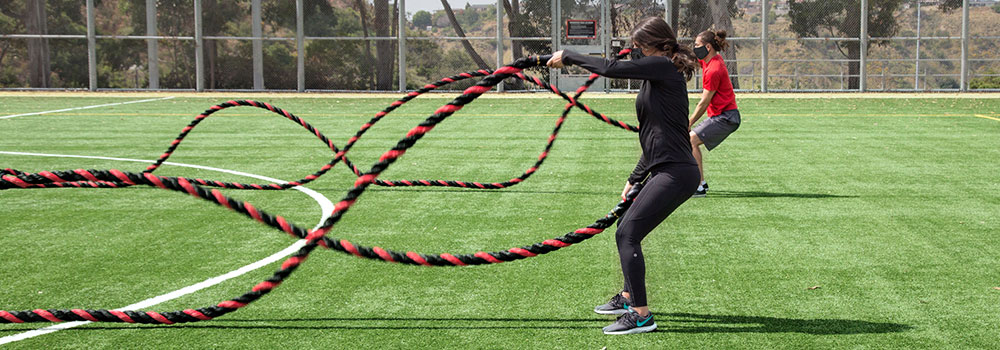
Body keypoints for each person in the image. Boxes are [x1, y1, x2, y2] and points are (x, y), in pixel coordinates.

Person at [546, 16, 700, 335]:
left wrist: (570, 56)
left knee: (628, 233)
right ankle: (629, 296)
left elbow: (611, 70)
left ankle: (641, 316)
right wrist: (635, 177)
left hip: (676, 172)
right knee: (624, 227)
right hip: (663, 166)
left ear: (654, 45)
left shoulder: (662, 67)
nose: (635, 51)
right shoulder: (655, 74)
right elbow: (655, 136)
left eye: (639, 45)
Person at [688, 29, 741, 197]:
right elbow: (692, 60)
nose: (695, 48)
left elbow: (704, 102)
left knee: (691, 141)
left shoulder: (714, 69)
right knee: (691, 141)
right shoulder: (711, 60)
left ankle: (699, 187)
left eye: (697, 45)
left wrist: (689, 122)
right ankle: (701, 183)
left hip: (727, 118)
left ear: (708, 47)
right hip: (722, 116)